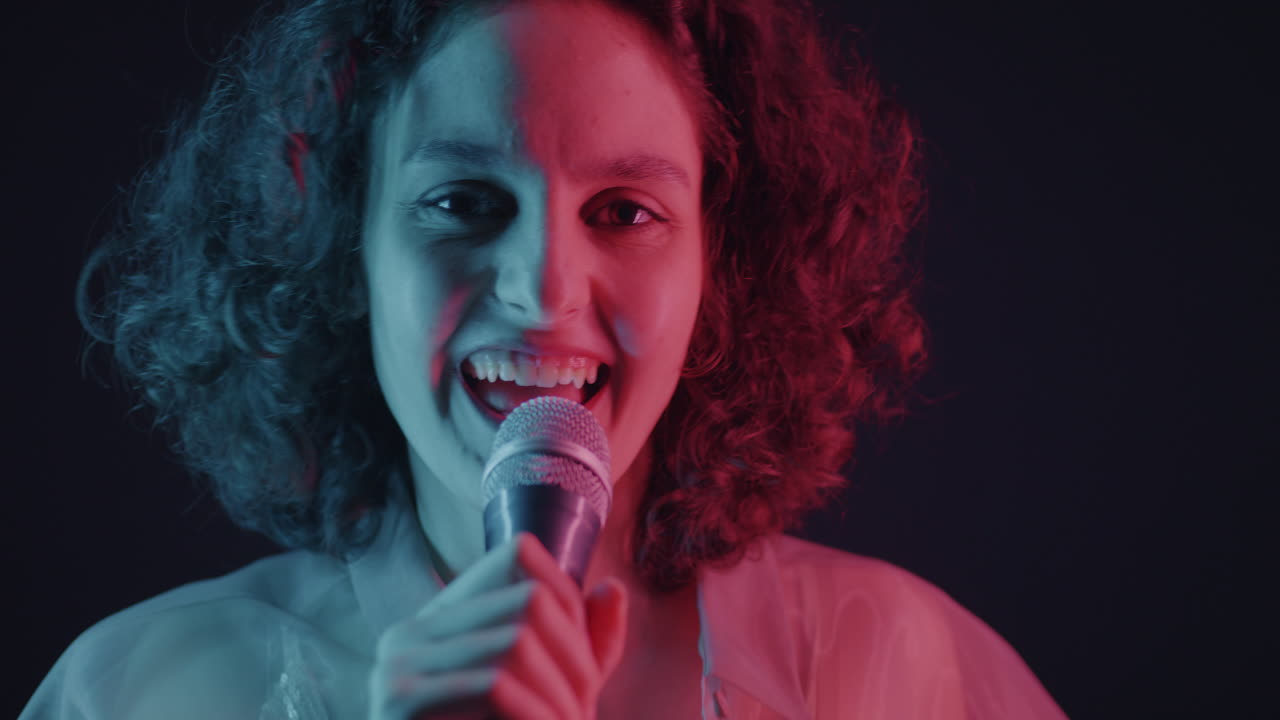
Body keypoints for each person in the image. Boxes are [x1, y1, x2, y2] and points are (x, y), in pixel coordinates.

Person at [23, 0, 1071, 717]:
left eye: (623, 210)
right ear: (344, 251)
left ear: (722, 266)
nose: (544, 289)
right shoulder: (146, 691)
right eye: (463, 204)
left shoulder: (892, 672)